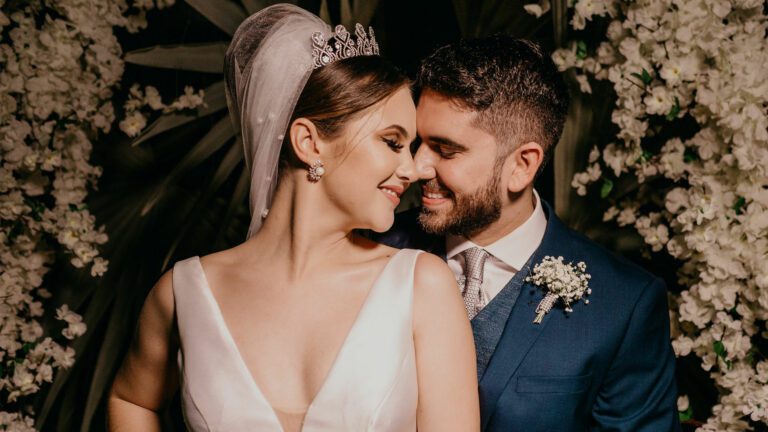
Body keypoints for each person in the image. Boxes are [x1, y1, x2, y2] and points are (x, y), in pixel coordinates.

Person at [107, 5, 479, 431]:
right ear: (308, 142)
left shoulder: (421, 286)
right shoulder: (182, 293)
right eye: (393, 142)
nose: (413, 170)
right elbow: (131, 400)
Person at [376, 36, 680, 431]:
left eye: (445, 150)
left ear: (523, 165)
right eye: (419, 143)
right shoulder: (372, 249)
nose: (417, 168)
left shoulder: (624, 305)